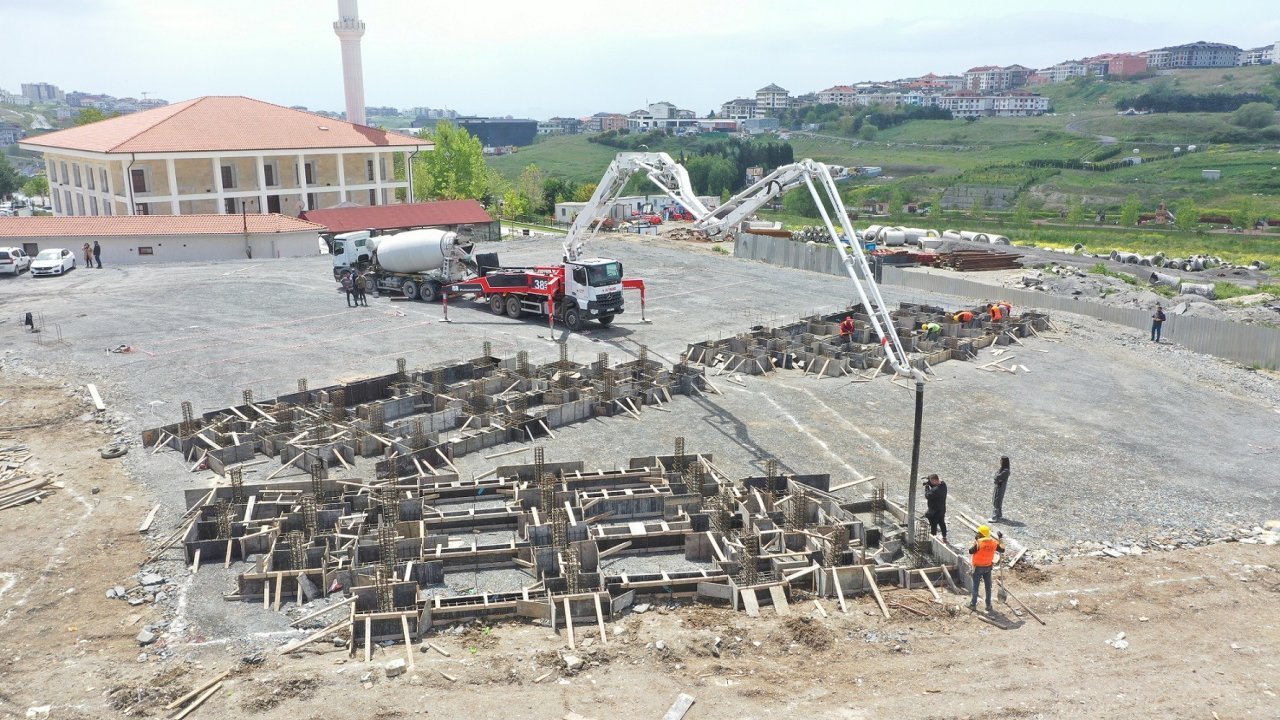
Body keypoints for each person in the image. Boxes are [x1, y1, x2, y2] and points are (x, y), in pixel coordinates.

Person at [968, 525, 1005, 612]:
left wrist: (975, 541)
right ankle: (988, 605)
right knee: (988, 587)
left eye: (979, 533)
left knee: (975, 587)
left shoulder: (979, 543)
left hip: (977, 568)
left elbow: (970, 551)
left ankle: (973, 604)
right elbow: (1002, 549)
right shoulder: (993, 542)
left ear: (981, 534)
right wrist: (1000, 538)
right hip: (988, 567)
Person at [923, 473, 948, 544]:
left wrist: (927, 487)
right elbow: (934, 485)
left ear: (934, 481)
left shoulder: (935, 490)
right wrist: (929, 481)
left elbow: (928, 495)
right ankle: (944, 537)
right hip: (942, 509)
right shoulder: (943, 484)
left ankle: (933, 537)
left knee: (933, 524)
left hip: (934, 511)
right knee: (942, 523)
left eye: (931, 481)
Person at [992, 456, 1010, 522]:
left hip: (1001, 487)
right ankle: (999, 514)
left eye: (1001, 460)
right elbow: (996, 476)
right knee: (996, 499)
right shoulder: (1002, 469)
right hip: (998, 486)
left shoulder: (1006, 471)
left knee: (998, 501)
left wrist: (997, 478)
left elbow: (998, 477)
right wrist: (997, 478)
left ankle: (995, 517)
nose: (1000, 461)